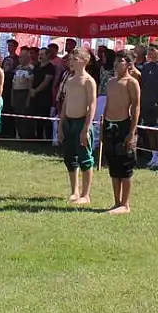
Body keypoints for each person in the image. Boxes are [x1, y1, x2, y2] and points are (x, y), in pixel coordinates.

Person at [103, 50, 140, 214]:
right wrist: (103, 124)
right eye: (116, 61)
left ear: (129, 64)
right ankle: (116, 201)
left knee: (125, 165)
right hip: (110, 125)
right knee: (113, 164)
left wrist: (132, 132)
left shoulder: (131, 83)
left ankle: (125, 204)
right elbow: (108, 104)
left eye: (121, 61)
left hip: (124, 124)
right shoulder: (110, 82)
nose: (117, 64)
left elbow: (136, 107)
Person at [59, 48, 97, 204]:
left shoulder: (88, 81)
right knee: (70, 157)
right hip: (69, 121)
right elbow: (65, 103)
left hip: (82, 122)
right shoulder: (69, 80)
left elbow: (92, 105)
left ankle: (85, 194)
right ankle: (74, 191)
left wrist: (86, 128)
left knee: (85, 159)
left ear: (84, 61)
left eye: (75, 59)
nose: (72, 61)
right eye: (71, 59)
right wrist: (61, 125)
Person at [139, 43, 158, 168]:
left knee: (157, 131)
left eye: (153, 50)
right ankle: (154, 155)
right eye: (149, 51)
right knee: (149, 130)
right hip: (146, 102)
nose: (150, 53)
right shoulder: (146, 67)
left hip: (157, 103)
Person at [27, 49, 56, 140]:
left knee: (43, 117)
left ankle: (43, 137)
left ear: (47, 55)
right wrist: (31, 89)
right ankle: (35, 136)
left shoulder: (50, 67)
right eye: (39, 54)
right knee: (34, 116)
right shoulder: (37, 66)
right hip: (34, 96)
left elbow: (46, 81)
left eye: (42, 54)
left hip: (44, 97)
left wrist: (36, 91)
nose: (40, 56)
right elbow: (31, 78)